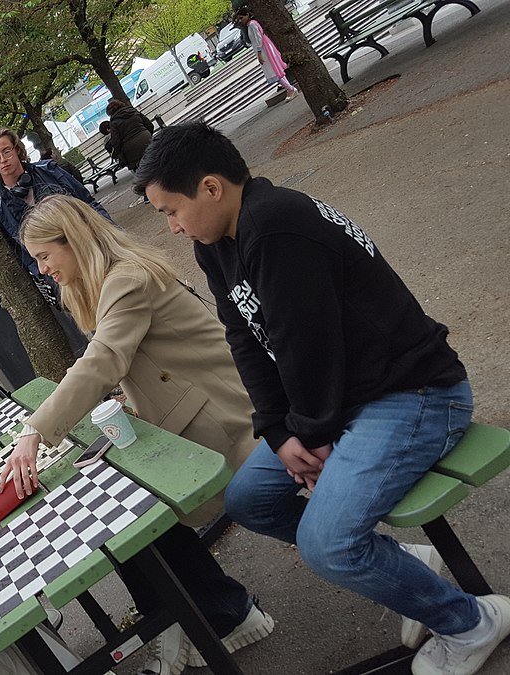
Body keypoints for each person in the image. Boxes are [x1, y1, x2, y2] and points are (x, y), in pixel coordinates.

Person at [134, 120, 510, 675]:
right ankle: (403, 566)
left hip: (417, 395)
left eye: (170, 210)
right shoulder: (220, 242)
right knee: (249, 500)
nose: (171, 228)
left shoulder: (275, 225)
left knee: (327, 545)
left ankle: (470, 622)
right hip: (347, 401)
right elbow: (245, 338)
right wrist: (280, 432)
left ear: (211, 188)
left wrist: (310, 434)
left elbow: (307, 347)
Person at [0, 194, 273, 675]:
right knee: (132, 521)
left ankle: (214, 619)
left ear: (74, 240)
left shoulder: (125, 280)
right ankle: (195, 621)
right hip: (189, 413)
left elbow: (103, 361)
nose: (41, 270)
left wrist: (33, 433)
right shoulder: (105, 281)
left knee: (141, 519)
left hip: (223, 419)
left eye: (45, 256)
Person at [0, 128, 118, 286]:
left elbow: (88, 203)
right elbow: (21, 255)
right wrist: (49, 281)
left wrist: (112, 235)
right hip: (63, 280)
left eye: (6, 151)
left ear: (17, 149)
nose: (3, 160)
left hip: (94, 251)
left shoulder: (50, 171)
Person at [234, 7, 298, 100]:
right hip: (263, 49)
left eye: (241, 18)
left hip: (264, 50)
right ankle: (289, 88)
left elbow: (258, 38)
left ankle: (290, 89)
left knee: (273, 71)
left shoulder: (252, 24)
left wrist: (259, 53)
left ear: (247, 15)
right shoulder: (250, 25)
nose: (240, 21)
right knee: (275, 70)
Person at [103, 99, 155, 172]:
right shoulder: (134, 112)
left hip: (131, 150)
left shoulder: (114, 122)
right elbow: (149, 125)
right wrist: (147, 134)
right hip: (147, 138)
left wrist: (119, 153)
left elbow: (116, 141)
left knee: (142, 171)